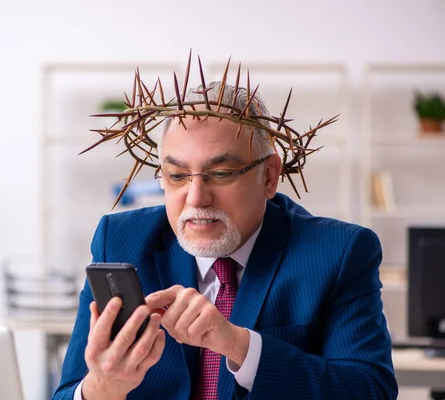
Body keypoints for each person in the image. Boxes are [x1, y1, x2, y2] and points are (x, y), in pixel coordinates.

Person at [52, 74, 398, 399]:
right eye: (176, 176)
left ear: (269, 176)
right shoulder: (121, 240)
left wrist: (238, 345)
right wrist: (102, 387)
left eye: (220, 173)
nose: (196, 197)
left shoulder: (339, 253)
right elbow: (68, 391)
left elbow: (369, 389)